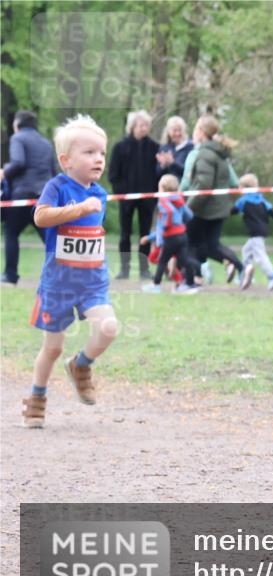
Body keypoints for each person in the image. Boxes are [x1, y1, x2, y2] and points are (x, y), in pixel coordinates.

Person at [21, 115, 119, 428]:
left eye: (102, 153)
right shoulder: (57, 187)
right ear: (66, 160)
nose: (98, 159)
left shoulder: (100, 194)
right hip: (58, 283)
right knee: (52, 347)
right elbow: (41, 217)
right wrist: (79, 208)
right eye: (89, 152)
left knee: (108, 328)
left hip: (91, 282)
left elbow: (91, 234)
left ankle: (81, 365)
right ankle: (36, 398)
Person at [186, 115, 245, 284]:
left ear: (202, 132)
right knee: (210, 245)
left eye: (196, 128)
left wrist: (188, 208)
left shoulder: (205, 154)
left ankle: (191, 281)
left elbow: (203, 185)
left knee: (188, 242)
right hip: (218, 207)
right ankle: (241, 267)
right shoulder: (219, 153)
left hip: (204, 208)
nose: (194, 132)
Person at [1, 110, 57, 285]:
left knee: (11, 232)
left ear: (17, 125)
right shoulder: (46, 143)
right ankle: (61, 273)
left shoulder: (18, 138)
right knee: (50, 237)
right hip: (43, 197)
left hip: (22, 195)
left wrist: (4, 172)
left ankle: (10, 275)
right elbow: (53, 171)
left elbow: (19, 162)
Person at [108, 110, 160, 280]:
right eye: (140, 125)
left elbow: (158, 174)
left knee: (145, 234)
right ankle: (124, 270)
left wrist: (154, 193)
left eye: (146, 125)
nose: (143, 128)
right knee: (125, 235)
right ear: (132, 126)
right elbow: (113, 174)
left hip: (147, 199)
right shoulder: (120, 147)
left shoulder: (154, 147)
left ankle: (144, 270)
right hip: (126, 199)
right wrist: (122, 193)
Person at [140, 174, 199, 294]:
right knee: (184, 260)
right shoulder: (179, 200)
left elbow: (167, 214)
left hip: (171, 236)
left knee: (162, 261)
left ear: (162, 188)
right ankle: (190, 284)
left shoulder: (163, 200)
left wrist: (159, 237)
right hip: (182, 235)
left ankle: (156, 285)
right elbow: (189, 215)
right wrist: (180, 222)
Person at [232, 173, 273, 290]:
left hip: (255, 232)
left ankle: (272, 276)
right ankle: (246, 274)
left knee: (260, 255)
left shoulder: (244, 200)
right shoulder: (262, 199)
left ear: (245, 187)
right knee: (246, 250)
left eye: (240, 187)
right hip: (262, 231)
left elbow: (233, 210)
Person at [156, 116, 194, 181]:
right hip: (167, 187)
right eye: (174, 130)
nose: (177, 133)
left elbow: (189, 171)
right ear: (168, 132)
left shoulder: (191, 146)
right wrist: (163, 165)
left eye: (180, 130)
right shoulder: (164, 148)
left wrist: (172, 163)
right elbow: (158, 173)